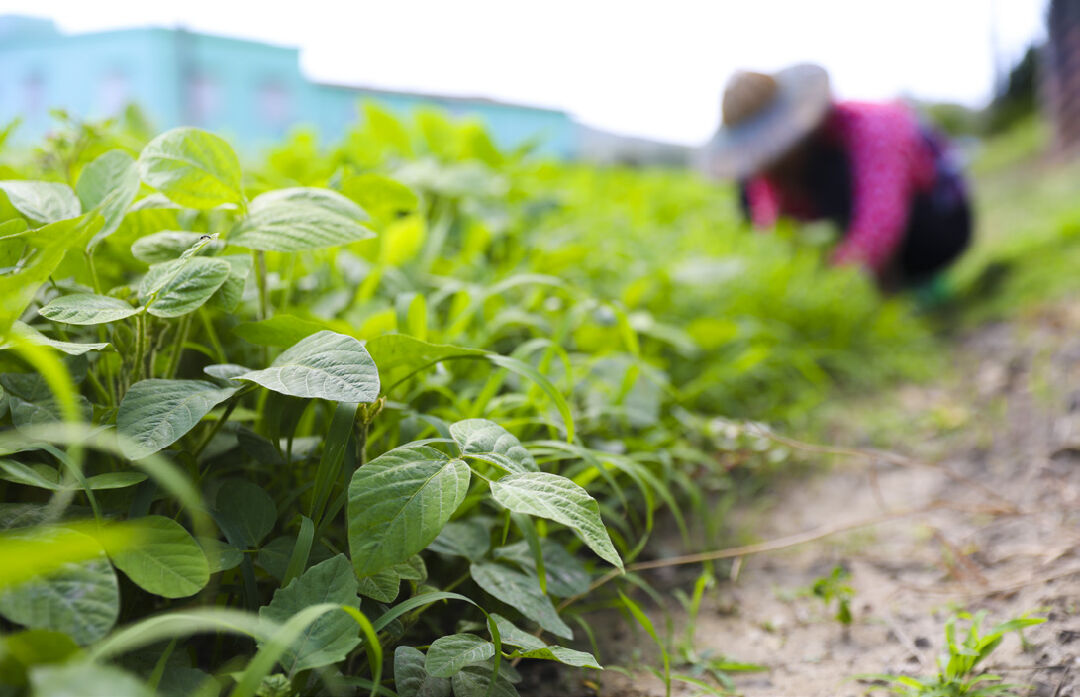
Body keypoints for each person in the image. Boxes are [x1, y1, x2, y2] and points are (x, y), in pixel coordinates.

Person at [709, 63, 972, 293]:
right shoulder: (772, 171)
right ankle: (879, 286)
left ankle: (897, 287)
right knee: (747, 188)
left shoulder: (873, 126)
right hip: (846, 236)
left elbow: (880, 223)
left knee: (834, 174)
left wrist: (827, 285)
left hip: (937, 223)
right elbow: (768, 226)